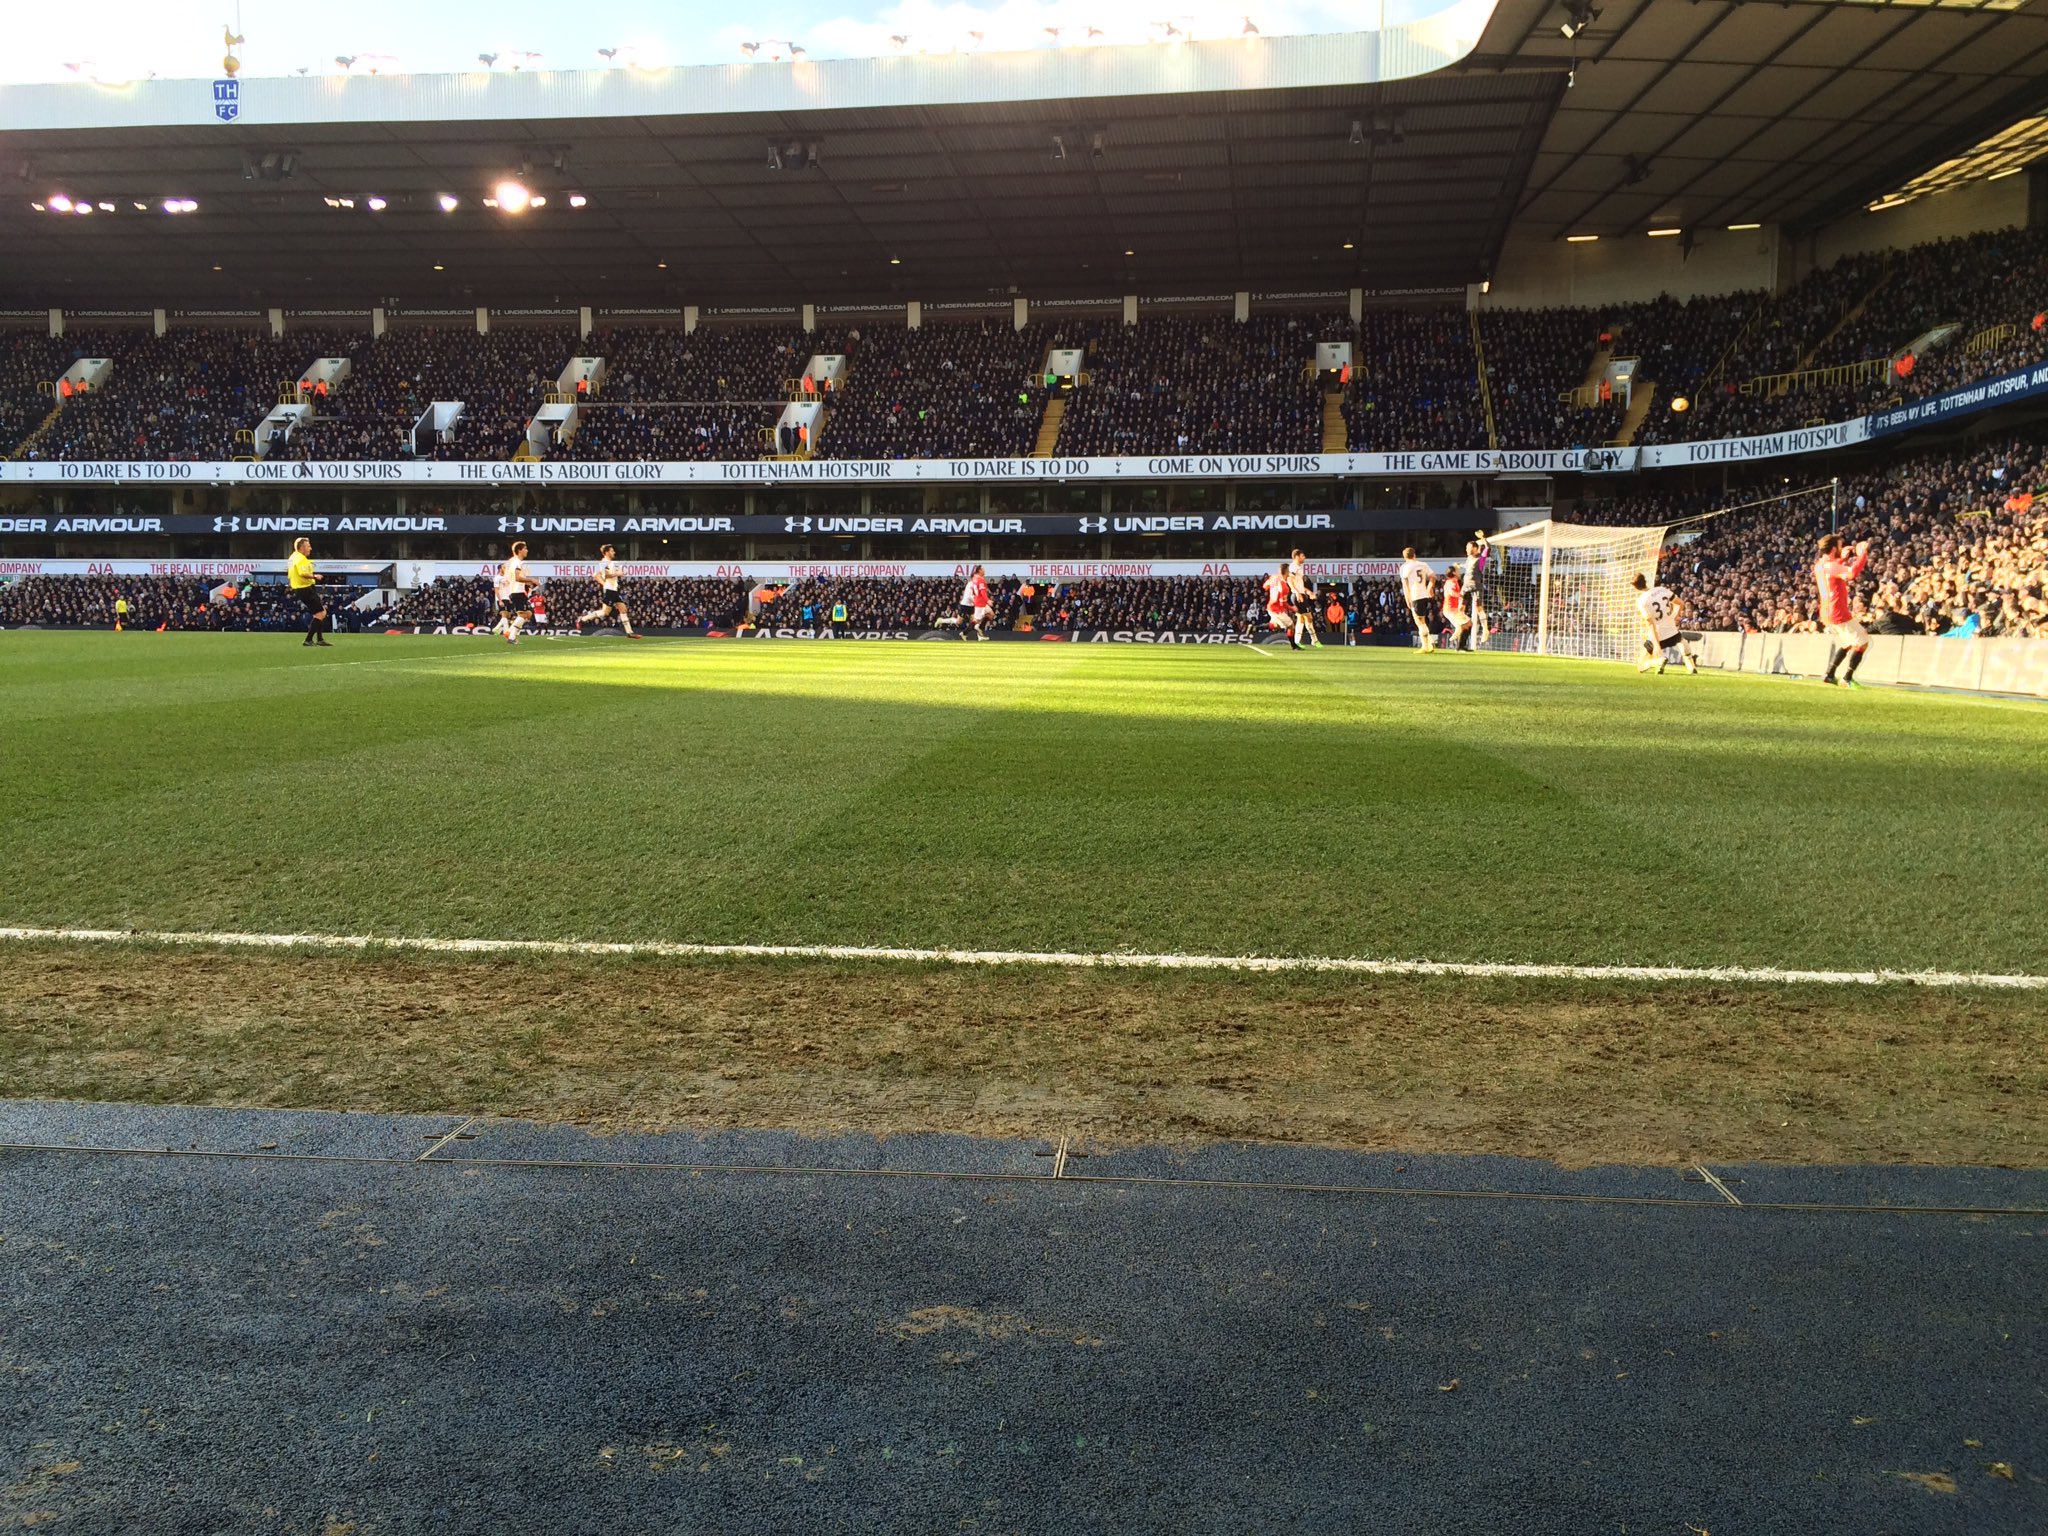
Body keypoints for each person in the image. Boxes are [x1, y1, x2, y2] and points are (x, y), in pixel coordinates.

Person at [1814, 534, 1872, 688]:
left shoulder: (1820, 565)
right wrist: (1862, 555)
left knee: (1848, 642)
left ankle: (1829, 673)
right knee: (1863, 642)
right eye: (1840, 546)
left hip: (1826, 611)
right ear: (1834, 548)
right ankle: (1847, 678)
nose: (1843, 548)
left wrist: (1842, 559)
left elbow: (1832, 572)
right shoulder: (1832, 566)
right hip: (1837, 610)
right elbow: (1851, 574)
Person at [1631, 570, 1698, 674]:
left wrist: (1657, 645)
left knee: (1640, 666)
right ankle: (1691, 667)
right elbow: (1681, 603)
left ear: (1635, 587)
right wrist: (1675, 617)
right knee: (1682, 642)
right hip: (1672, 631)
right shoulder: (1661, 590)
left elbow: (1650, 623)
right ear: (1646, 581)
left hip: (1657, 635)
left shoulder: (1641, 601)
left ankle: (1659, 661)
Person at [576, 545, 640, 637]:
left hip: (613, 590)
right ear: (606, 552)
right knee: (605, 612)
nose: (614, 552)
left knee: (623, 609)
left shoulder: (610, 563)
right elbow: (605, 575)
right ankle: (582, 619)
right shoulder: (604, 562)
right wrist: (617, 574)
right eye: (612, 551)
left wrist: (614, 576)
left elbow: (596, 575)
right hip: (609, 590)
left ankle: (629, 632)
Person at [286, 537, 329, 648]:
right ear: (302, 548)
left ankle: (319, 639)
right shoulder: (301, 559)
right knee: (320, 614)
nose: (310, 548)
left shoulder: (293, 557)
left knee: (321, 612)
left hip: (302, 588)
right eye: (308, 546)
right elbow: (302, 573)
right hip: (304, 588)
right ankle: (309, 640)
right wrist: (315, 576)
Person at [494, 540, 538, 645]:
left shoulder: (513, 562)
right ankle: (510, 634)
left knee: (528, 613)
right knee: (524, 614)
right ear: (519, 550)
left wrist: (529, 584)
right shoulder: (517, 562)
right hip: (517, 591)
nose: (527, 550)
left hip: (516, 591)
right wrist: (531, 580)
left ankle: (511, 635)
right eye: (525, 548)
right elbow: (518, 578)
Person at [1399, 547, 1437, 651]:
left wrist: (1407, 598)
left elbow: (1405, 585)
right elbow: (1433, 577)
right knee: (1423, 621)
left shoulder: (1404, 567)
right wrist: (1430, 588)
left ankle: (1425, 647)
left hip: (1415, 596)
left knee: (1419, 622)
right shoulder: (1423, 564)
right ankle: (1430, 642)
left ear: (1404, 557)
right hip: (1424, 595)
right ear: (1414, 555)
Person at [1287, 548, 1321, 649]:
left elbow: (1299, 584)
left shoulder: (1298, 567)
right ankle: (1313, 640)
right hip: (1297, 595)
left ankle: (1300, 641)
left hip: (1300, 594)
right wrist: (1297, 593)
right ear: (1297, 556)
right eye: (1302, 556)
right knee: (1308, 617)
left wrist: (1308, 592)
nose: (1304, 558)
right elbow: (1289, 580)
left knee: (1302, 618)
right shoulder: (1293, 567)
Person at [959, 564, 994, 640]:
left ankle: (978, 631)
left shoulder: (976, 579)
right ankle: (965, 633)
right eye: (983, 569)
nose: (984, 570)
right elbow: (981, 592)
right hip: (980, 602)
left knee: (990, 615)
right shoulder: (980, 580)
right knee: (977, 620)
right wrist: (987, 600)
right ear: (979, 571)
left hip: (981, 602)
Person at [1442, 566, 1471, 652]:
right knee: (1467, 624)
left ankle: (1460, 644)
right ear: (1454, 572)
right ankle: (1459, 645)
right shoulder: (1452, 582)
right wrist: (1460, 596)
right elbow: (1451, 592)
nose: (1459, 572)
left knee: (1468, 623)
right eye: (1458, 571)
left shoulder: (1449, 582)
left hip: (1451, 609)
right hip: (1451, 609)